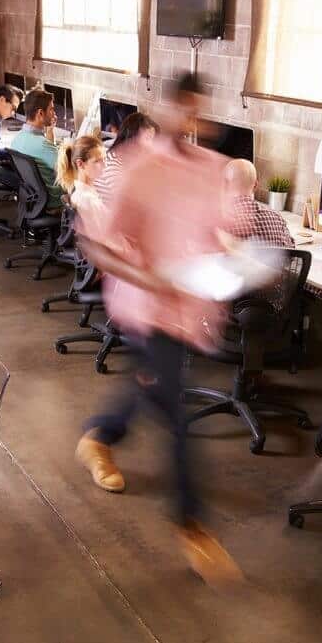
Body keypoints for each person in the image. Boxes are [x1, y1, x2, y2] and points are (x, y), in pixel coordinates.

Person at [74, 73, 243, 585]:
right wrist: (144, 275)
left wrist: (238, 262)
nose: (191, 121)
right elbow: (97, 244)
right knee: (177, 415)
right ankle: (193, 526)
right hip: (146, 305)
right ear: (166, 110)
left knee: (154, 385)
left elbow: (221, 234)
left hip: (189, 307)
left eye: (199, 112)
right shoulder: (136, 168)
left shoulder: (213, 170)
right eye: (183, 109)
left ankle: (100, 435)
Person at [10, 88, 64, 209]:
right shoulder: (43, 145)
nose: (54, 113)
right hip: (54, 202)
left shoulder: (17, 139)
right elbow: (66, 171)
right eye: (51, 109)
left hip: (34, 200)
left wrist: (50, 130)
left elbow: (46, 155)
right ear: (40, 113)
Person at [223, 158, 293, 248]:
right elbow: (293, 253)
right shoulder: (277, 217)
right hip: (271, 262)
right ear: (255, 185)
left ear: (225, 184)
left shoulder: (222, 220)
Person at [93, 112, 158, 206]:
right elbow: (131, 203)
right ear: (132, 139)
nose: (151, 145)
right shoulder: (112, 164)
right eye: (148, 138)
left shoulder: (123, 159)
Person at [55, 135, 106, 237]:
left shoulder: (80, 191)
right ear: (80, 164)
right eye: (97, 161)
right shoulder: (88, 199)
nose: (104, 165)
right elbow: (104, 239)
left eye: (104, 159)